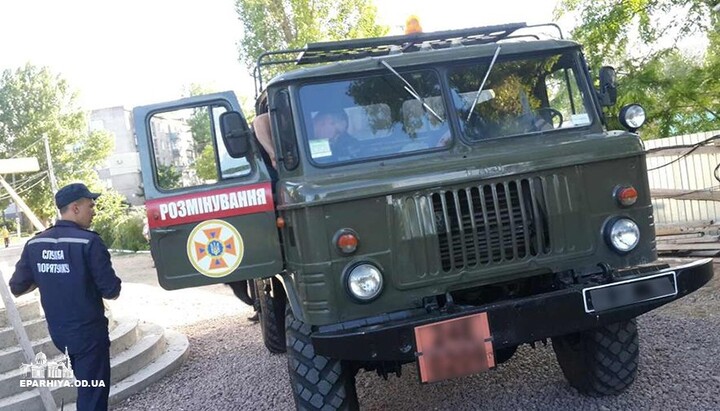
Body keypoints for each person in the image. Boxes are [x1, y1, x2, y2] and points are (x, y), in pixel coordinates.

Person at [9, 183, 121, 411]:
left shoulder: (35, 243)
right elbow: (111, 290)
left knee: (87, 386)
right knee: (93, 396)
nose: (94, 211)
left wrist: (47, 278)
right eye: (90, 206)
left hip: (60, 333)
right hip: (89, 333)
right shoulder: (89, 242)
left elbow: (17, 287)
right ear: (75, 208)